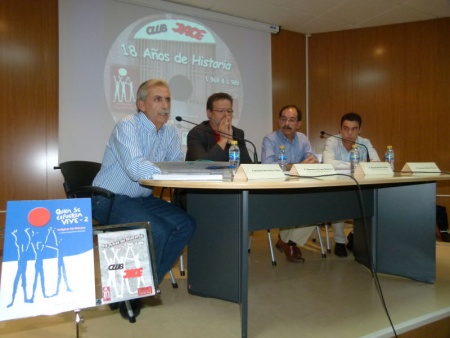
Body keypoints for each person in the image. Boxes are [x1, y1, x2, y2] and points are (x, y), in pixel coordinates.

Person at [92, 78, 196, 286]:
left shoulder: (169, 132)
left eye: (167, 100)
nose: (165, 105)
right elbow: (136, 168)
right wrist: (168, 171)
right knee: (156, 229)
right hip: (107, 198)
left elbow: (175, 164)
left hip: (140, 199)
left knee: (186, 224)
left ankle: (146, 283)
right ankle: (132, 288)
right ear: (141, 105)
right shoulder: (127, 125)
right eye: (158, 99)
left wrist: (183, 171)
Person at [261, 104, 319, 262]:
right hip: (278, 189)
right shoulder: (270, 139)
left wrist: (310, 162)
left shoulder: (303, 139)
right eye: (284, 119)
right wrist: (293, 165)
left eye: (292, 120)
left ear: (298, 124)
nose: (287, 123)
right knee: (296, 203)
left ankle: (287, 242)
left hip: (300, 187)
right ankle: (289, 244)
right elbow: (267, 166)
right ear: (279, 121)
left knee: (319, 205)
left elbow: (312, 160)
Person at [322, 112, 380, 257]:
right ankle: (340, 241)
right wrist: (358, 165)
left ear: (360, 130)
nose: (349, 133)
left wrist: (348, 166)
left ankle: (354, 235)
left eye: (354, 129)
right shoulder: (332, 141)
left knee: (369, 201)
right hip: (337, 187)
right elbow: (329, 164)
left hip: (358, 186)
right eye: (346, 128)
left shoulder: (364, 143)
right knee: (338, 202)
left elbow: (376, 163)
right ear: (340, 129)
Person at [185, 92, 252, 164]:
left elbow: (247, 166)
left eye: (229, 111)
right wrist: (223, 140)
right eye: (220, 111)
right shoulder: (196, 133)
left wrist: (231, 142)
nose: (226, 114)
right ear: (209, 113)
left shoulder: (237, 133)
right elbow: (202, 164)